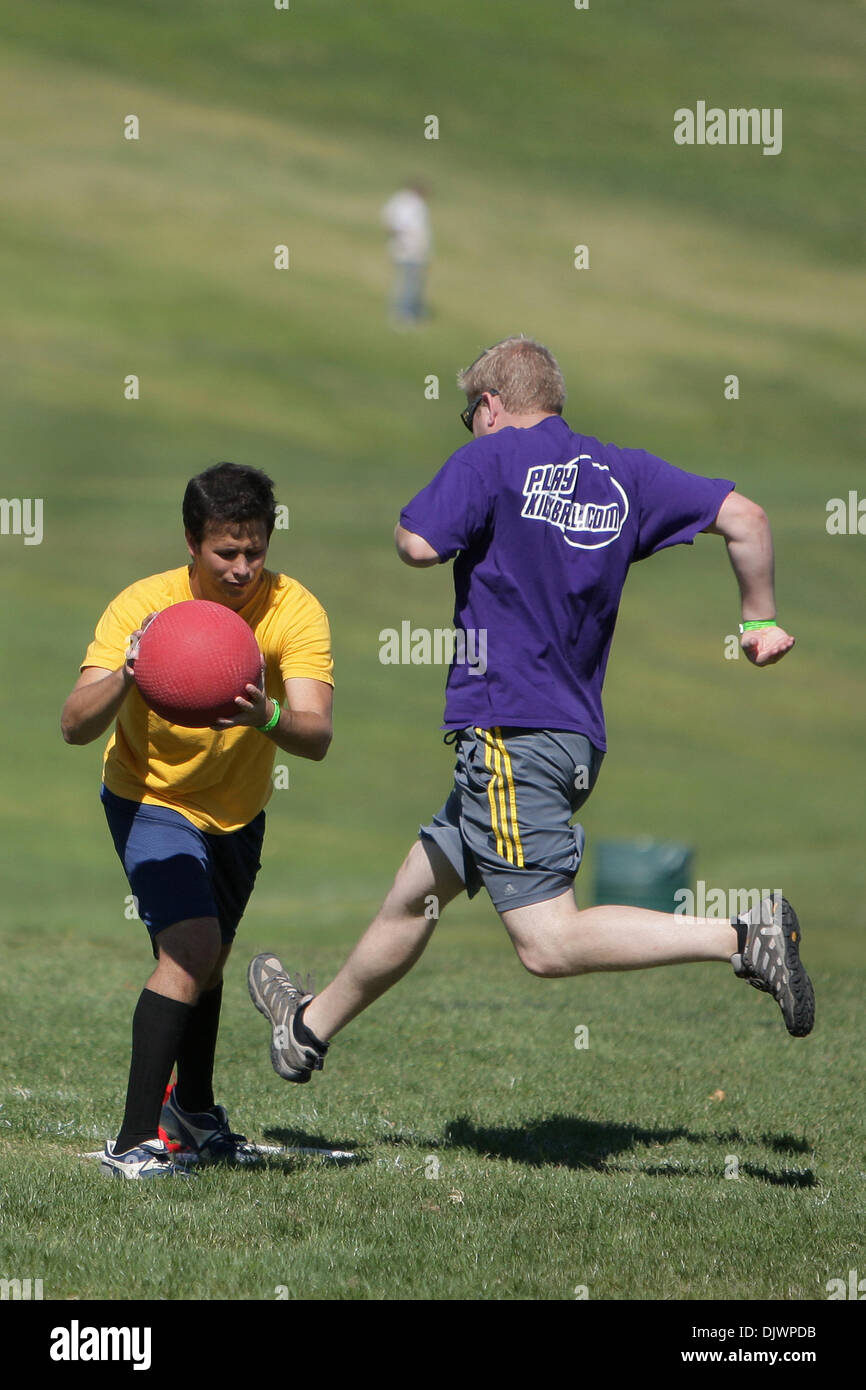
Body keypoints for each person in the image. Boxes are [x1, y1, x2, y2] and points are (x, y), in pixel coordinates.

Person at [248, 335, 813, 1088]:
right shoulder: (626, 471)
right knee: (416, 894)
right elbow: (747, 517)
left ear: (489, 405)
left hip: (508, 731)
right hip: (572, 739)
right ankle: (307, 1031)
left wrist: (425, 518)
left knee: (546, 942)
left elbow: (417, 544)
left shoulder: (490, 458)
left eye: (467, 414)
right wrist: (755, 623)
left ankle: (745, 935)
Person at [61, 462, 334, 1176]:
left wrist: (264, 714)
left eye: (255, 550)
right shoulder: (143, 607)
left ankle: (194, 1112)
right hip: (149, 797)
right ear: (191, 541)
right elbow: (73, 725)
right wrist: (129, 669)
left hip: (239, 811)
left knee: (207, 961)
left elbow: (316, 734)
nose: (243, 568)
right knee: (188, 947)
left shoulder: (293, 610)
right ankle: (131, 1145)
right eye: (226, 552)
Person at [381, 181, 432, 326]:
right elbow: (395, 225)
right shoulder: (409, 204)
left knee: (413, 284)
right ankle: (404, 314)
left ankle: (410, 312)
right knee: (409, 284)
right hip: (408, 249)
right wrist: (404, 241)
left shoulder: (404, 202)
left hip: (414, 250)